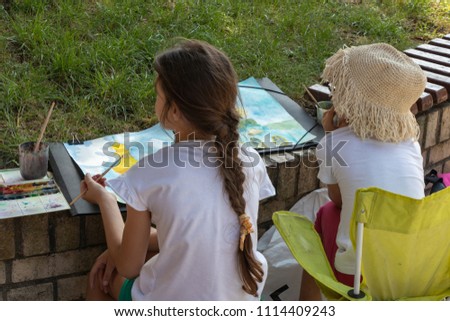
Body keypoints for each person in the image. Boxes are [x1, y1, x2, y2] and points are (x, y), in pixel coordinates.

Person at [81, 39, 276, 300]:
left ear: (173, 111)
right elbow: (200, 233)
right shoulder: (250, 160)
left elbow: (128, 266)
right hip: (244, 297)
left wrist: (105, 200)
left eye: (158, 96)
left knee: (100, 281)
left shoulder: (151, 172)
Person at [299, 43, 426, 300]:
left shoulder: (335, 143)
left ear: (348, 97)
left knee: (326, 211)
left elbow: (337, 199)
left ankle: (307, 306)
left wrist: (331, 135)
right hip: (412, 271)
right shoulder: (410, 143)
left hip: (359, 274)